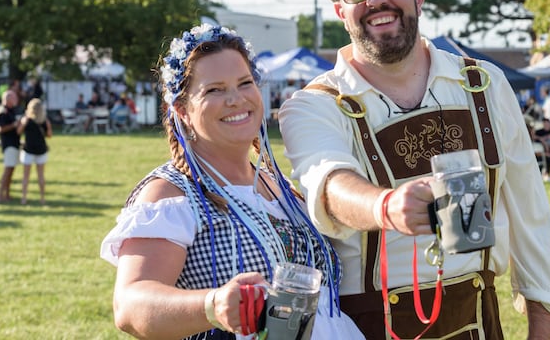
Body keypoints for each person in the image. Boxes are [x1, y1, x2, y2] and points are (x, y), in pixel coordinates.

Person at [278, 0, 550, 340]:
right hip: (366, 329)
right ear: (341, 11)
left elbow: (530, 212)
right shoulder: (314, 103)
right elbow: (329, 182)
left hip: (476, 323)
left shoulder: (484, 84)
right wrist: (385, 207)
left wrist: (542, 324)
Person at [100, 24, 363, 340]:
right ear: (182, 110)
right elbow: (130, 306)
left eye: (244, 83)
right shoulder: (171, 193)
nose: (236, 99)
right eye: (214, 90)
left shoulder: (278, 187)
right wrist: (213, 305)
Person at [16, 98, 52, 204]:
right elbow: (49, 135)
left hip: (29, 150)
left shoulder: (26, 120)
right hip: (41, 150)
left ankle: (24, 198)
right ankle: (42, 198)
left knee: (26, 176)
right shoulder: (44, 121)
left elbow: (18, 132)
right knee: (41, 175)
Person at [0, 90, 20, 203]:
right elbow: (0, 129)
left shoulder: (11, 110)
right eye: (13, 97)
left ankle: (7, 194)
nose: (15, 100)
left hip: (14, 143)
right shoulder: (2, 112)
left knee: (11, 170)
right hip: (8, 143)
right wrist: (14, 125)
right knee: (7, 170)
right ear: (8, 98)